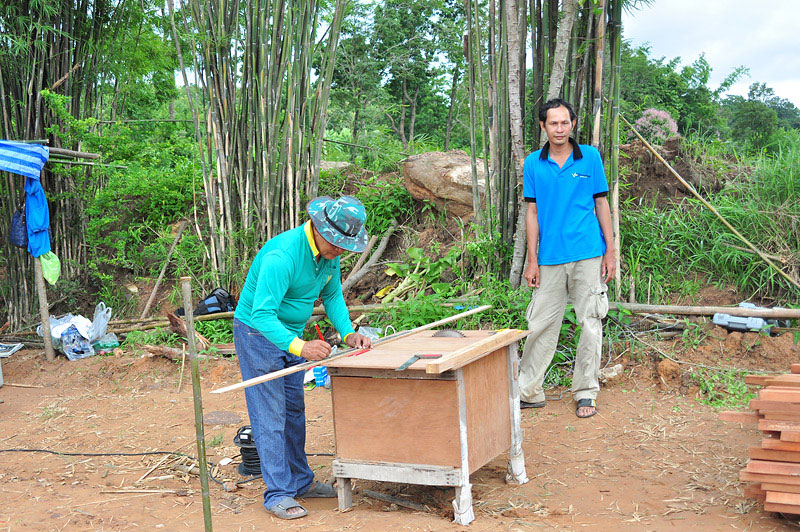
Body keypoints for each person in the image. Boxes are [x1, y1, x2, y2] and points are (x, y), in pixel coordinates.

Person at [233, 195, 374, 519]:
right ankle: (277, 493)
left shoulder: (329, 255)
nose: (341, 251)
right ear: (319, 228)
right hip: (258, 334)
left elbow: (333, 293)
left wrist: (347, 331)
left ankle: (300, 482)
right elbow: (263, 314)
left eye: (345, 246)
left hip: (292, 336)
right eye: (337, 244)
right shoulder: (282, 256)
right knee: (270, 416)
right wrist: (301, 347)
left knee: (294, 411)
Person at [519, 98, 616, 419]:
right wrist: (532, 260)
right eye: (552, 123)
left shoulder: (589, 158)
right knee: (539, 324)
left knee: (589, 322)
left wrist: (611, 252)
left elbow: (602, 204)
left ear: (573, 124)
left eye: (564, 122)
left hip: (588, 252)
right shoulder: (533, 163)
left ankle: (585, 391)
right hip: (549, 257)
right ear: (543, 126)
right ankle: (529, 390)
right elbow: (531, 212)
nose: (559, 129)